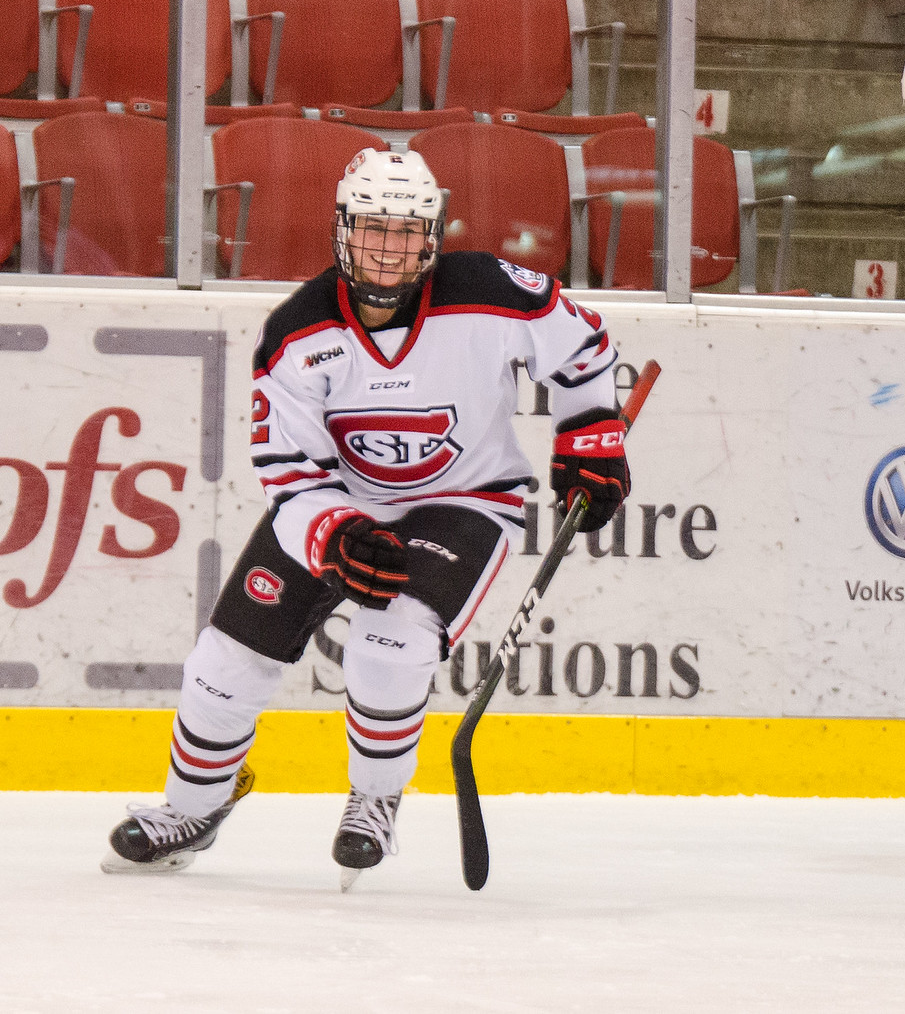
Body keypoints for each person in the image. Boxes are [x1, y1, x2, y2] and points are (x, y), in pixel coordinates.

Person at [101, 148, 629, 888]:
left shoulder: (492, 292)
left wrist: (590, 435)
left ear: (434, 236)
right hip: (338, 506)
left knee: (390, 642)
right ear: (343, 230)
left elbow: (583, 349)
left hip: (466, 499)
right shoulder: (297, 332)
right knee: (223, 665)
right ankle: (193, 808)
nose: (391, 248)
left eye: (410, 232)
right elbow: (291, 475)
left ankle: (374, 804)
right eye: (375, 228)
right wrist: (336, 533)